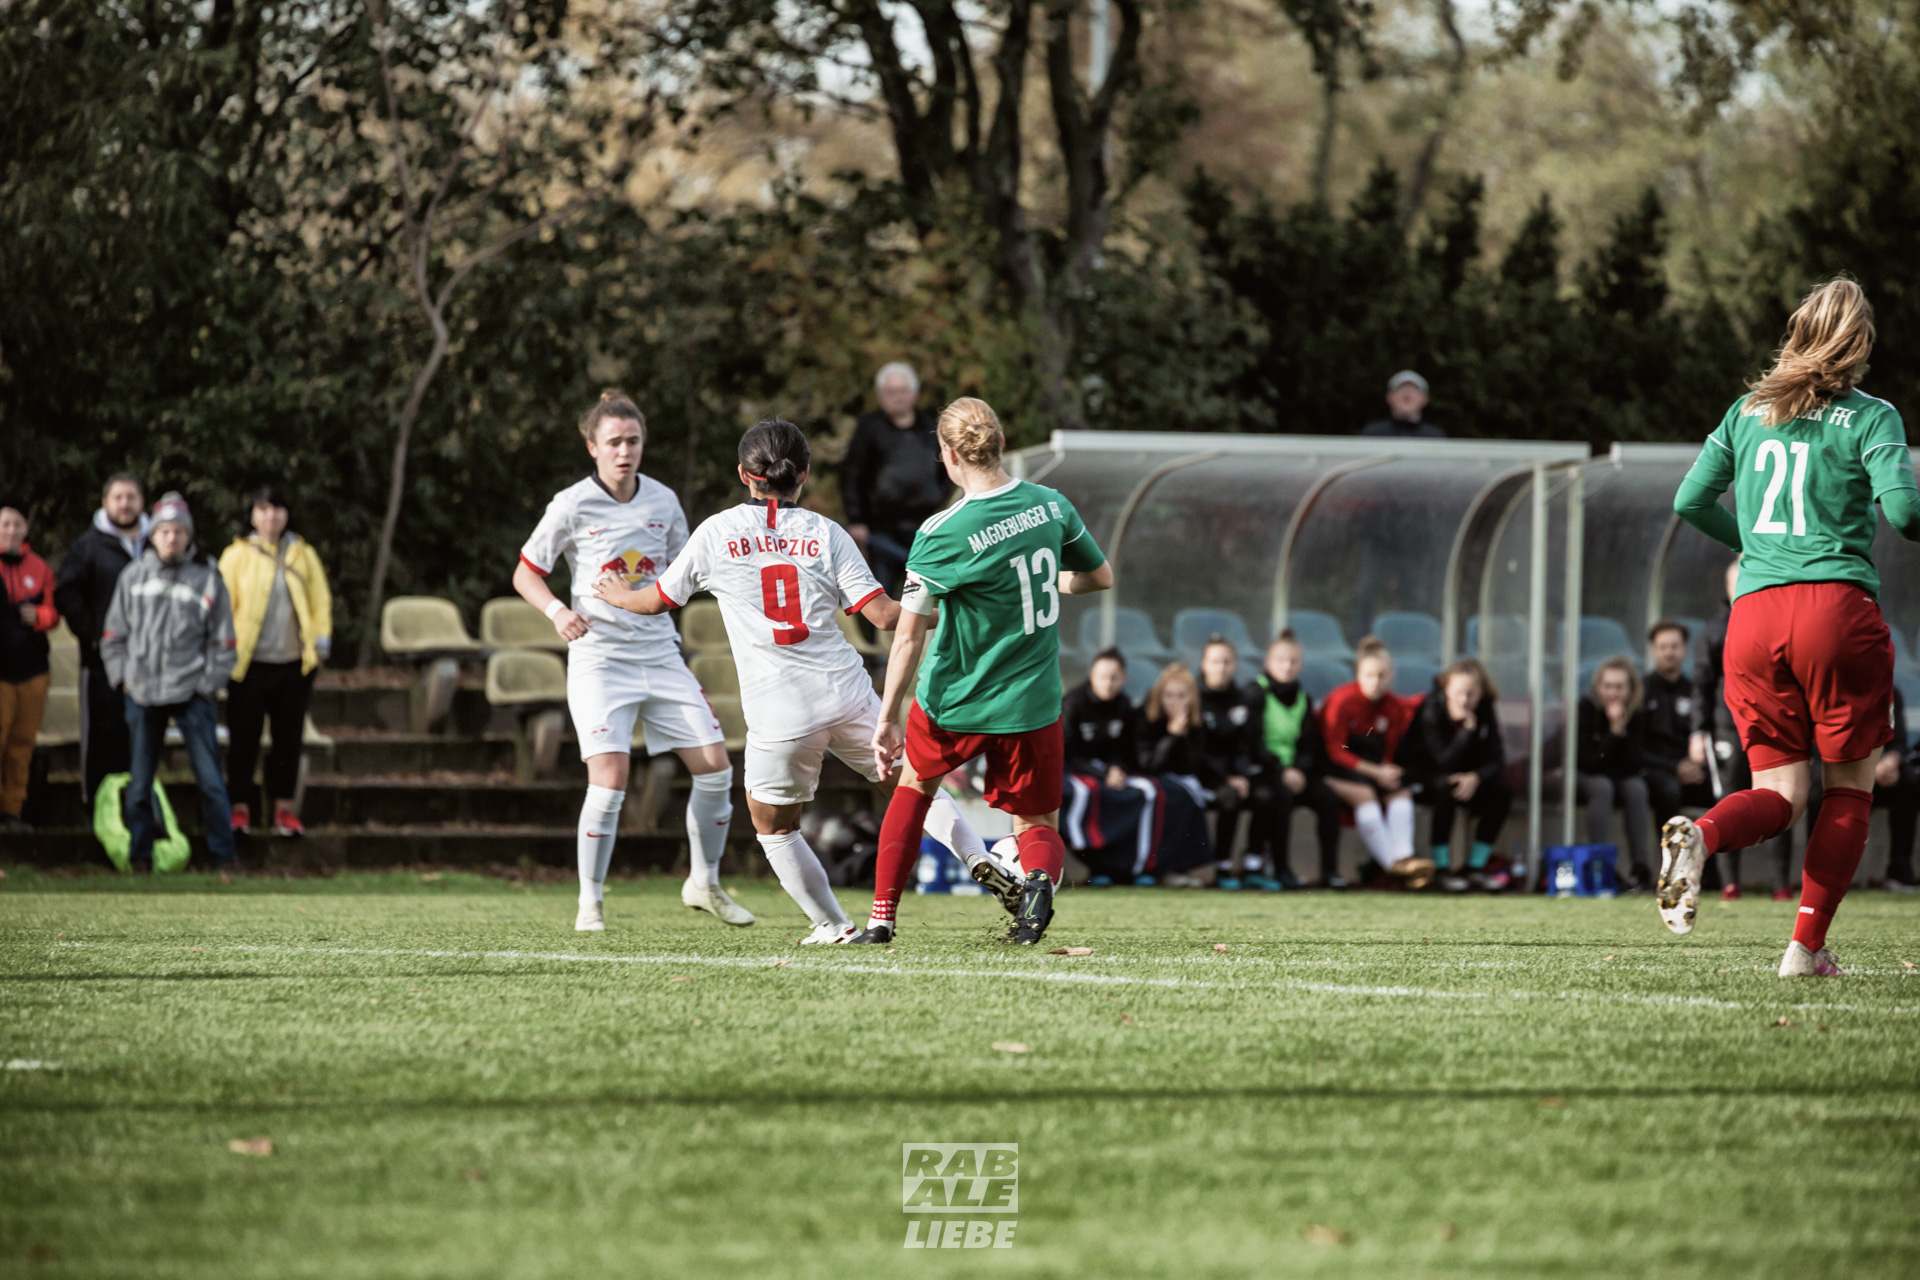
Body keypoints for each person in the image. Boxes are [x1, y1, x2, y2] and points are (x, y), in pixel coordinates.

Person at [592, 416, 1005, 943]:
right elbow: (881, 616)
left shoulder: (717, 532)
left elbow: (655, 602)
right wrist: (952, 611)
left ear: (745, 474)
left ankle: (833, 923)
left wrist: (615, 593)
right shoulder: (826, 533)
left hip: (781, 709)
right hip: (848, 693)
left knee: (773, 825)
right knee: (912, 786)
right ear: (804, 474)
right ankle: (984, 860)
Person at [1662, 278, 1920, 976]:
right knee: (1847, 789)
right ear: (1860, 343)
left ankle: (1704, 836)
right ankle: (1804, 949)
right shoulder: (1875, 416)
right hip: (1834, 612)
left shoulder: (1749, 410)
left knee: (1778, 796)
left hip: (1754, 614)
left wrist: (1758, 542)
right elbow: (1905, 515)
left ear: (1796, 334)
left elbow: (1690, 500)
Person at [863, 396, 1114, 945]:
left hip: (958, 696)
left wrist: (887, 717)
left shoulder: (943, 531)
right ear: (1001, 443)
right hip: (1033, 698)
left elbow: (908, 634)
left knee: (913, 792)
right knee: (1035, 823)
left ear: (949, 456)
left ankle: (881, 920)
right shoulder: (1051, 505)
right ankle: (1038, 887)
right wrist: (1052, 583)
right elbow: (1099, 577)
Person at [513, 390, 745, 933]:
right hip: (600, 659)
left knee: (716, 769)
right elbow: (526, 572)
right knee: (610, 780)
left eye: (633, 441)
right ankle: (589, 903)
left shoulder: (663, 501)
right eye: (613, 442)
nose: (625, 452)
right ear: (592, 446)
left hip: (659, 653)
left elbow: (687, 573)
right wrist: (555, 611)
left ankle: (704, 882)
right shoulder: (571, 504)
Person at [100, 492, 239, 874]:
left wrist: (207, 685)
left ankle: (224, 859)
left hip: (192, 692)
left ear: (189, 535)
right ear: (154, 534)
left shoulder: (207, 577)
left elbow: (225, 641)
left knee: (211, 781)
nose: (172, 538)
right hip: (142, 693)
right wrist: (124, 679)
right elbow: (113, 636)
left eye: (179, 531)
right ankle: (140, 860)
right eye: (164, 531)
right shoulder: (133, 576)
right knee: (140, 784)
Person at [218, 487, 332, 837]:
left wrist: (320, 642)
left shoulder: (303, 554)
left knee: (289, 741)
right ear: (253, 514)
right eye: (264, 509)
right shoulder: (236, 555)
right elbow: (222, 605)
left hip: (293, 665)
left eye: (278, 509)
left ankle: (285, 810)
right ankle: (239, 810)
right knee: (244, 739)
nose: (271, 517)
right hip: (248, 665)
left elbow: (320, 600)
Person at [1686, 559, 1789, 898]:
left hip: (1772, 727)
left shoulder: (1775, 623)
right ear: (1729, 588)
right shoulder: (1715, 631)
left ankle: (1781, 884)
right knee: (1729, 800)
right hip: (1728, 729)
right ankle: (1730, 883)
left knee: (1783, 797)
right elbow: (1701, 685)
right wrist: (1698, 733)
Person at [53, 473, 148, 808]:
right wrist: (92, 634)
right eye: (118, 497)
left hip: (149, 664)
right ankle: (95, 810)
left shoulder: (158, 543)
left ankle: (137, 812)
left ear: (141, 502)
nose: (125, 504)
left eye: (131, 497)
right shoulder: (89, 545)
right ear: (105, 503)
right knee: (101, 739)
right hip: (100, 663)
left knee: (140, 739)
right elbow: (66, 592)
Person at [1319, 637, 1433, 885]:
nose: (1375, 682)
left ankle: (1405, 859)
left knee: (1401, 793)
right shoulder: (1341, 701)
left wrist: (1387, 773)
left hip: (1369, 771)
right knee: (1365, 795)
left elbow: (1388, 750)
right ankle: (1395, 866)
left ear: (1391, 677)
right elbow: (1335, 750)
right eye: (1369, 675)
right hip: (1332, 769)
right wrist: (1376, 772)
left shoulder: (1392, 707)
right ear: (1358, 674)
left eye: (1381, 676)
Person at [841, 362, 949, 594]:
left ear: (914, 393)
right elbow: (852, 474)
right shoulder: (868, 429)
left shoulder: (931, 428)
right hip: (882, 531)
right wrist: (856, 518)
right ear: (881, 395)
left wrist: (942, 502)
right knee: (879, 595)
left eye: (903, 391)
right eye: (891, 392)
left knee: (925, 595)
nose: (897, 397)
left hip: (925, 527)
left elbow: (948, 470)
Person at [1250, 630, 1346, 888]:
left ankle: (1330, 871)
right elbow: (1252, 741)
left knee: (1327, 797)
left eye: (1293, 661)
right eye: (1281, 659)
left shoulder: (1303, 698)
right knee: (1280, 795)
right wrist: (1281, 769)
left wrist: (1300, 769)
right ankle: (1282, 869)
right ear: (1268, 663)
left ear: (1300, 665)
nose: (1287, 666)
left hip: (1296, 772)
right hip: (1264, 770)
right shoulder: (1256, 693)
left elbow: (1309, 744)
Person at [1407, 658, 1512, 892]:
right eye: (1459, 693)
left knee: (1503, 791)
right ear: (1446, 689)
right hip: (1425, 777)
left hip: (1467, 779)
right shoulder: (1431, 709)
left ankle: (1475, 867)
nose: (1465, 700)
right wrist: (1466, 731)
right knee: (1447, 787)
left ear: (1481, 692)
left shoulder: (1485, 710)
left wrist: (1476, 777)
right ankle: (1441, 868)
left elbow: (1497, 758)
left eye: (1471, 694)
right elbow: (1442, 761)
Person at [1196, 636, 1291, 891]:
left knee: (1267, 793)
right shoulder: (1194, 698)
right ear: (1204, 664)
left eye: (1227, 661)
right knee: (1230, 798)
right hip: (1203, 776)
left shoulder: (1241, 699)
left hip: (1236, 774)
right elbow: (1196, 751)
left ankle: (1253, 865)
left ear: (1235, 665)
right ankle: (1223, 866)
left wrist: (1272, 768)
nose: (1221, 667)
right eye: (1215, 661)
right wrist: (1226, 778)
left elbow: (1247, 744)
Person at [0, 499, 59, 831]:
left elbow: (54, 612)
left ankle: (13, 810)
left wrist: (39, 616)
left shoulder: (39, 569)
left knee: (22, 744)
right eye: (5, 523)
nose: (10, 530)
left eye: (16, 524)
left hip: (34, 670)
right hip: (1, 672)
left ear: (25, 529)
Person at [1576, 657, 1653, 888]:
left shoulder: (1637, 713)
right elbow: (1589, 762)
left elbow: (1635, 763)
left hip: (1618, 777)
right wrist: (1614, 732)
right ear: (1598, 687)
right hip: (1585, 776)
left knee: (1636, 787)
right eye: (1607, 686)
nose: (1613, 693)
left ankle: (1640, 867)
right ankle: (1602, 863)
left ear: (1630, 690)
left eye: (1619, 687)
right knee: (1602, 786)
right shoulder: (1586, 708)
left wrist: (1621, 729)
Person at [1640, 620, 1709, 847]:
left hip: (1689, 766)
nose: (1669, 652)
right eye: (1663, 647)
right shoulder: (1641, 691)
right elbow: (1635, 747)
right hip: (1654, 769)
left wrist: (1695, 765)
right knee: (1669, 791)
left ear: (1684, 649)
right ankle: (1668, 866)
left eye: (1674, 646)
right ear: (1653, 650)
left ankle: (1712, 871)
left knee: (1722, 789)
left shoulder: (1694, 691)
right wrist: (1673, 767)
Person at [1062, 647, 1143, 790]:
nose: (1108, 684)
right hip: (1077, 772)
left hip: (1112, 774)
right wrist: (1102, 774)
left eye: (1114, 678)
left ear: (1125, 677)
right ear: (1091, 675)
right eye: (1102, 677)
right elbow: (1067, 753)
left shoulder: (1125, 705)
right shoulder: (1073, 704)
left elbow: (1126, 749)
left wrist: (1118, 768)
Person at [1359, 370, 1444, 439]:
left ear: (1424, 399)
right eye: (1401, 389)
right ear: (1389, 397)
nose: (1407, 394)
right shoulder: (1373, 433)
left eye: (1413, 389)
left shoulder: (1434, 436)